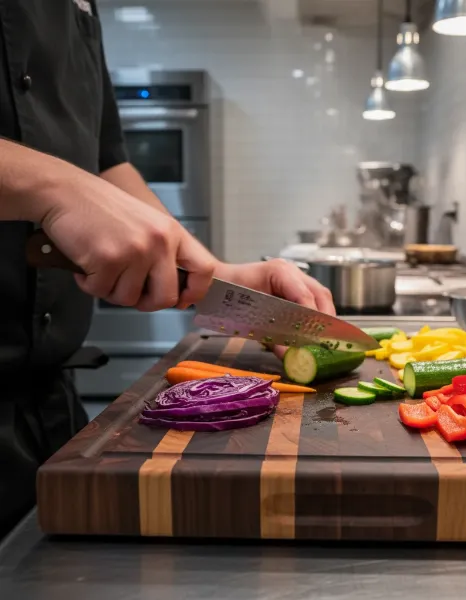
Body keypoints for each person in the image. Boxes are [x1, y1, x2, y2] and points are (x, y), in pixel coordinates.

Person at [0, 0, 335, 538]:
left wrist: (217, 278)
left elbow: (109, 162)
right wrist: (52, 185)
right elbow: (78, 180)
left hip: (50, 422)